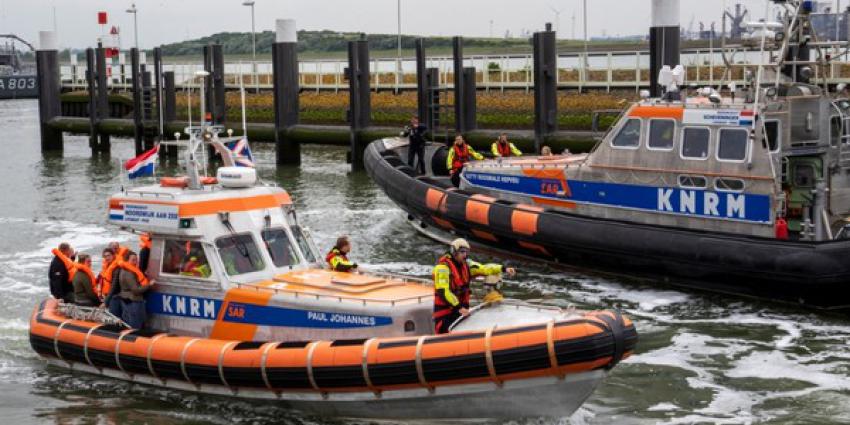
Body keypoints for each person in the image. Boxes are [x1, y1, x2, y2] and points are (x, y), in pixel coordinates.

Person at [432, 238, 516, 334]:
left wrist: (503, 269)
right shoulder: (442, 268)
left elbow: (484, 268)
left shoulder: (467, 265)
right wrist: (458, 307)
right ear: (454, 252)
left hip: (461, 310)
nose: (465, 255)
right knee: (447, 333)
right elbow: (443, 291)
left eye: (466, 252)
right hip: (446, 312)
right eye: (462, 252)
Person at [104, 251, 151, 329]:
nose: (135, 262)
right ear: (127, 261)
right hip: (133, 301)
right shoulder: (128, 273)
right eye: (133, 260)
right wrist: (149, 285)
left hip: (127, 300)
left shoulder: (125, 270)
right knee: (135, 325)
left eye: (136, 260)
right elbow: (136, 290)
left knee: (129, 322)